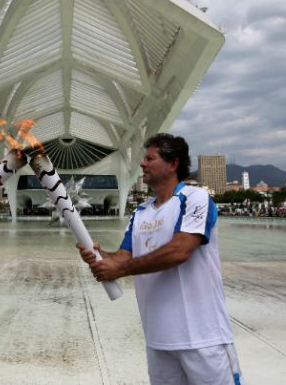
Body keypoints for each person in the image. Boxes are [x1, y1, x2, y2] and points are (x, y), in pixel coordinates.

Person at [78, 133, 244, 385]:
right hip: (158, 340)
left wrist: (119, 269)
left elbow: (180, 250)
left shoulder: (194, 198)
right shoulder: (141, 212)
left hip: (203, 338)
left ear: (173, 163)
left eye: (149, 158)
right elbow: (124, 256)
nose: (142, 164)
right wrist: (101, 257)